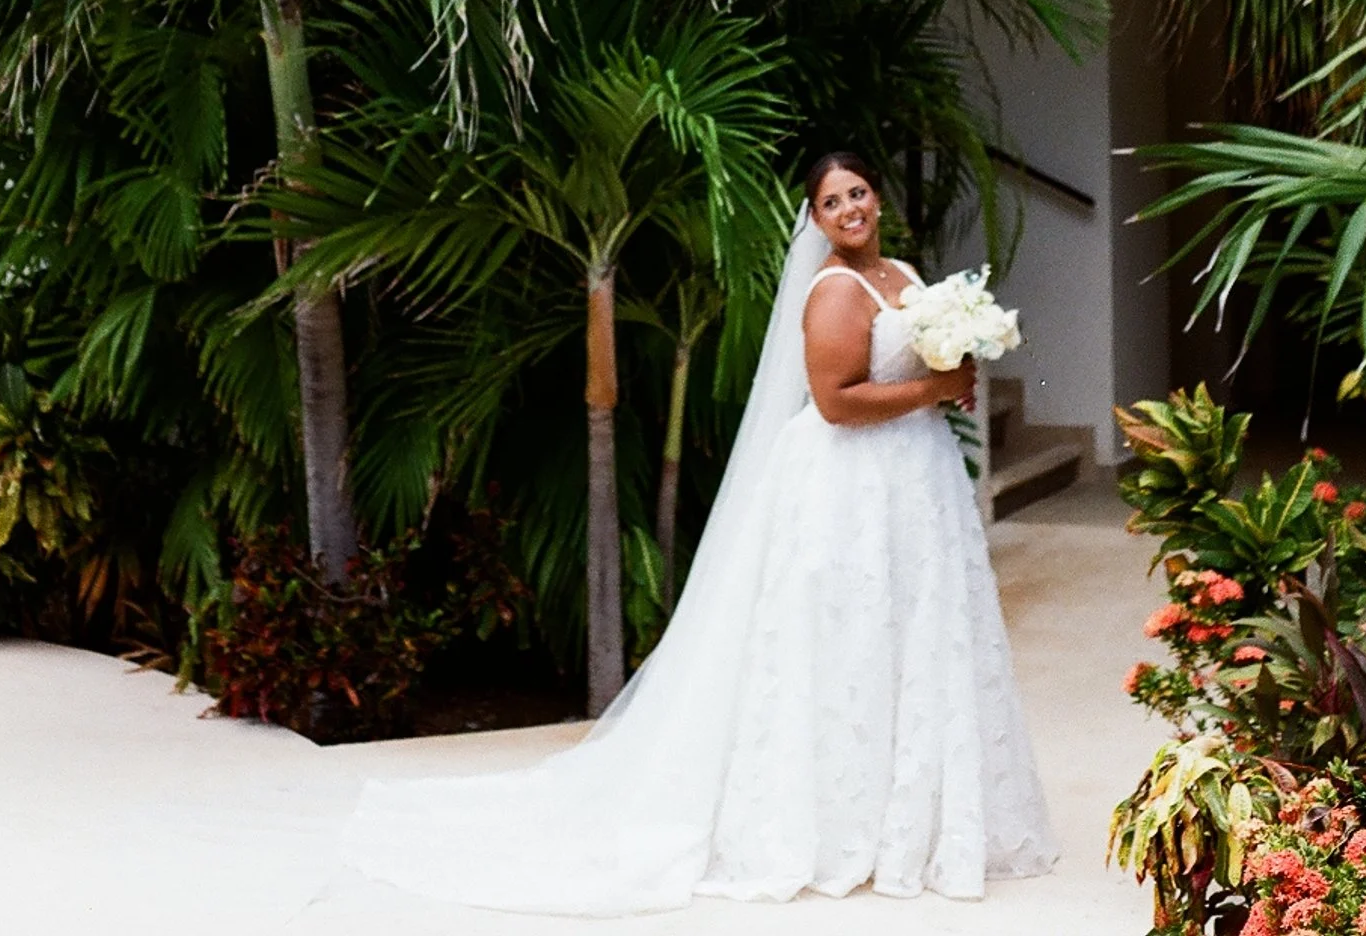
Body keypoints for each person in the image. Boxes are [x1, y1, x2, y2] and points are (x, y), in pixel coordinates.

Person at [347, 153, 1055, 912]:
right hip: (853, 487)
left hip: (915, 483)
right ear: (814, 221)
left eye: (858, 192)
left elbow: (916, 369)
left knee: (912, 634)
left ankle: (910, 817)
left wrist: (951, 372)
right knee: (847, 642)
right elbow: (835, 402)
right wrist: (934, 387)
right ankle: (840, 822)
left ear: (876, 198)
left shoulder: (906, 273)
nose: (850, 208)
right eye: (831, 201)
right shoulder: (835, 293)